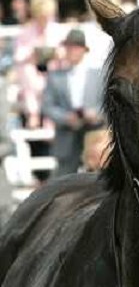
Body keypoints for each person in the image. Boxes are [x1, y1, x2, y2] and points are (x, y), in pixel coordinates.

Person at [42, 29, 104, 177]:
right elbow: (47, 106)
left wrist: (96, 114)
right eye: (68, 47)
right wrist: (66, 118)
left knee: (98, 182)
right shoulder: (55, 76)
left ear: (83, 50)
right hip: (67, 135)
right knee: (63, 182)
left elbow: (109, 104)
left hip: (94, 133)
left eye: (75, 47)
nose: (71, 51)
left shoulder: (99, 75)